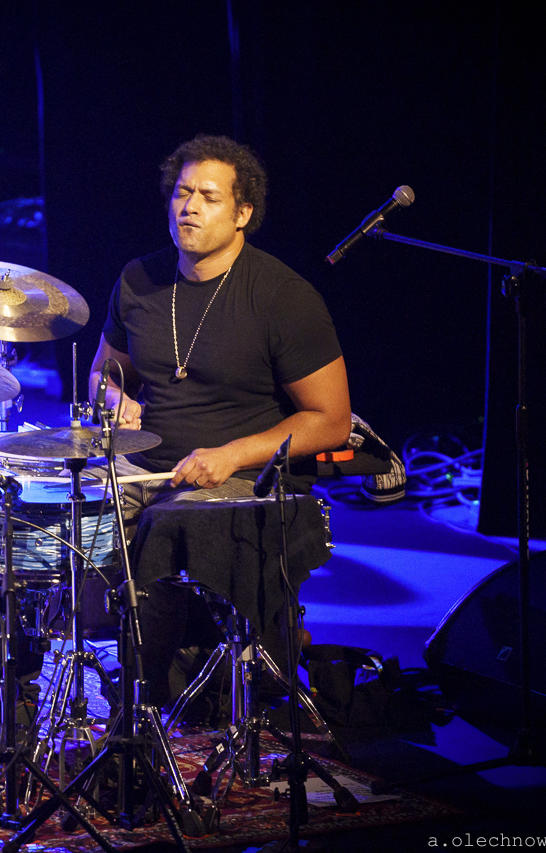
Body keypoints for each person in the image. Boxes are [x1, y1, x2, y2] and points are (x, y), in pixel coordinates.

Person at [89, 134, 352, 708]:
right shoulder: (139, 280)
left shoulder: (283, 297)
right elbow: (104, 374)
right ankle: (27, 685)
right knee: (47, 517)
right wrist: (113, 397)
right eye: (182, 193)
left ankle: (146, 704)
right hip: (143, 467)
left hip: (241, 478)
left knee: (162, 528)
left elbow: (331, 421)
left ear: (242, 214)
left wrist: (231, 454)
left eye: (208, 197)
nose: (189, 208)